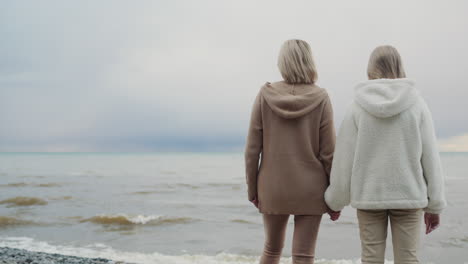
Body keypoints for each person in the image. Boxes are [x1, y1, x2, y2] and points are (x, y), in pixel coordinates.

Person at [324, 45, 447, 264]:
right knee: (408, 259)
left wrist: (336, 202)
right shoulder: (417, 105)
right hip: (409, 196)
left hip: (369, 196)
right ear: (399, 66)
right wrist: (434, 204)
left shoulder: (356, 107)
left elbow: (344, 160)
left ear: (370, 69)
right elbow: (431, 158)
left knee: (371, 259)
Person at [244, 39, 338, 264]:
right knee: (304, 255)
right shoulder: (321, 97)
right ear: (309, 61)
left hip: (272, 187)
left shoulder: (265, 95)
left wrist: (252, 190)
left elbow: (252, 150)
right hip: (311, 189)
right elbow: (329, 154)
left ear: (282, 62)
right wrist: (336, 198)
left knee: (271, 249)